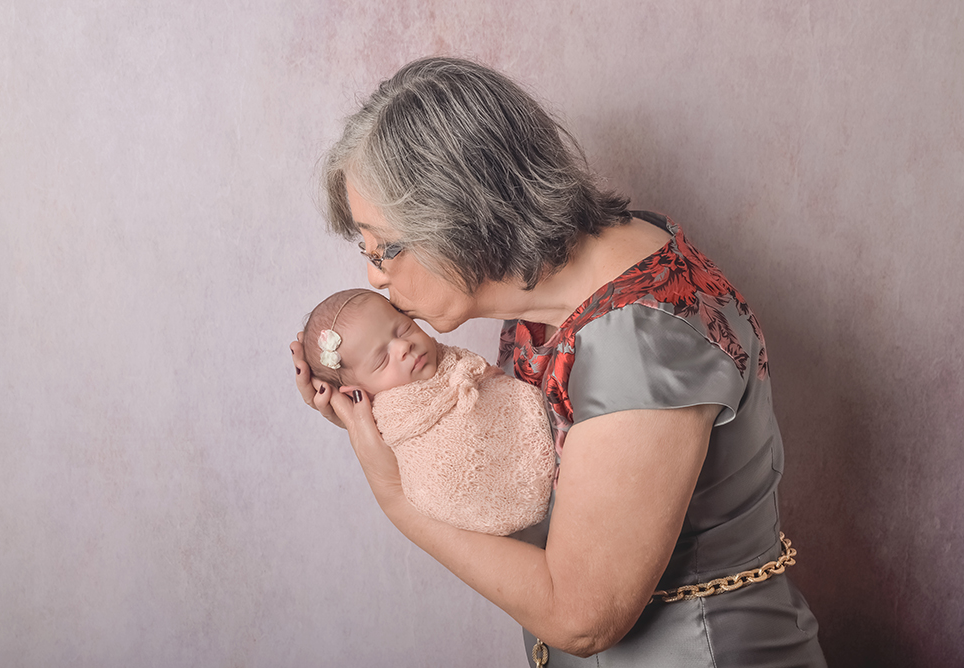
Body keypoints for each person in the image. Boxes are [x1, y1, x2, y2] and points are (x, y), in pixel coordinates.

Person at [290, 57, 827, 666]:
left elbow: (582, 618)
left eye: (384, 248)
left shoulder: (641, 341)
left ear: (461, 217)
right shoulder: (567, 274)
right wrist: (389, 421)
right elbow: (523, 471)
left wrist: (394, 494)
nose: (373, 276)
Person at [301, 288, 555, 536]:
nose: (402, 346)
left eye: (404, 329)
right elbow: (441, 480)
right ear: (358, 393)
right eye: (381, 359)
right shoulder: (398, 432)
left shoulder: (456, 366)